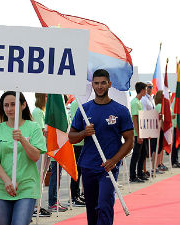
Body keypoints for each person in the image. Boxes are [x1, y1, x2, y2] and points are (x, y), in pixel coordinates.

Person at [68, 69, 134, 225]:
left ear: (109, 84)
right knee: (92, 209)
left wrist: (114, 160)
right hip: (88, 166)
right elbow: (71, 138)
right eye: (96, 83)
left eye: (103, 83)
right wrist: (84, 132)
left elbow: (129, 141)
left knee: (104, 206)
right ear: (92, 85)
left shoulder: (121, 110)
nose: (99, 86)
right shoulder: (84, 109)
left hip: (108, 168)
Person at [0, 91, 46, 225]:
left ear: (23, 105)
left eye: (13, 104)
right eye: (6, 105)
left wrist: (23, 140)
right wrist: (7, 181)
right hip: (2, 188)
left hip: (26, 188)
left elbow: (36, 156)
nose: (9, 109)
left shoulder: (33, 127)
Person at [31, 93, 51, 217]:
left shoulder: (43, 112)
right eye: (45, 96)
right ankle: (34, 206)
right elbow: (41, 131)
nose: (47, 99)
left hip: (46, 148)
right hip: (39, 149)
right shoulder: (38, 112)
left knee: (42, 177)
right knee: (38, 177)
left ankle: (37, 204)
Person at [129, 82, 148, 182]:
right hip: (137, 133)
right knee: (136, 154)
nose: (146, 91)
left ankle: (140, 173)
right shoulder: (135, 102)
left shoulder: (139, 102)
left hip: (141, 132)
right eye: (145, 89)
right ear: (142, 90)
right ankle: (133, 176)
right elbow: (135, 119)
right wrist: (139, 135)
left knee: (143, 153)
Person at [69, 99, 86, 207]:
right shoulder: (76, 103)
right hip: (77, 143)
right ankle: (74, 196)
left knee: (81, 170)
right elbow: (78, 123)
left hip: (83, 142)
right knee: (76, 171)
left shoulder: (82, 102)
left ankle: (78, 194)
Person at [171, 83, 180, 168]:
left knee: (179, 143)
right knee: (176, 144)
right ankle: (174, 160)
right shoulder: (177, 100)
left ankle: (176, 160)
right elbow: (175, 112)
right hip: (177, 125)